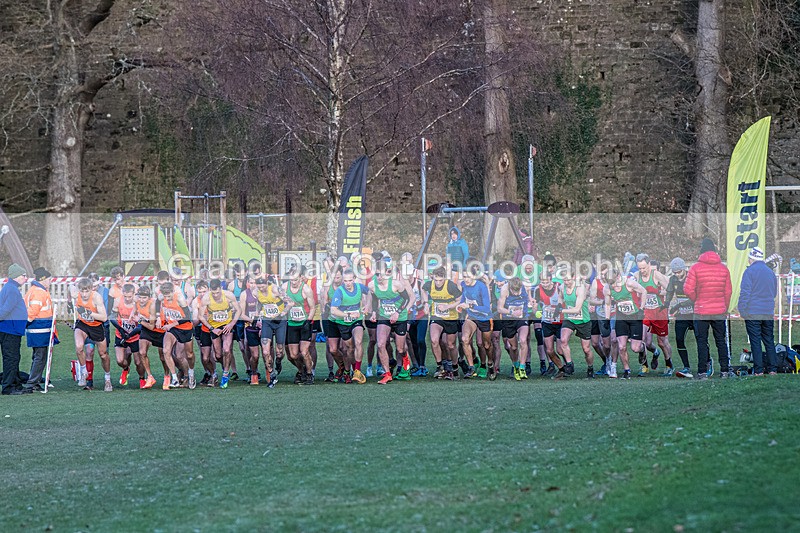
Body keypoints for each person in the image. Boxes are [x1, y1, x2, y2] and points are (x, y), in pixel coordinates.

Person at [684, 238, 733, 379]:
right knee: (721, 341)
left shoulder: (695, 268)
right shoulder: (724, 269)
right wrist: (725, 307)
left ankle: (702, 371)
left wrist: (696, 299)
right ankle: (724, 370)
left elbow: (688, 289)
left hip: (701, 310)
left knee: (702, 342)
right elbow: (728, 292)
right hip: (719, 311)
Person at [369, 258, 414, 384]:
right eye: (377, 274)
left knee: (400, 349)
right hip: (384, 316)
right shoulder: (372, 285)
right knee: (380, 344)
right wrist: (373, 311)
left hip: (400, 317)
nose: (379, 277)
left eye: (381, 274)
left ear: (387, 272)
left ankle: (405, 360)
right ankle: (387, 373)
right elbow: (374, 298)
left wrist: (397, 312)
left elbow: (406, 299)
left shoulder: (396, 284)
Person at [738, 247, 778, 375]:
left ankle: (759, 370)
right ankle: (773, 369)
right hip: (768, 311)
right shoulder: (770, 272)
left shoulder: (749, 272)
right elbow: (774, 292)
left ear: (751, 258)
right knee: (769, 341)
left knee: (755, 342)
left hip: (753, 312)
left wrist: (742, 310)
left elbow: (745, 293)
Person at [109, 282, 157, 389]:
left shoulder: (138, 303)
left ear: (134, 294)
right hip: (121, 334)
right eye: (125, 296)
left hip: (135, 335)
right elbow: (112, 317)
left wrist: (130, 334)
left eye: (130, 296)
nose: (127, 299)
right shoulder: (118, 301)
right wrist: (121, 330)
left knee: (138, 361)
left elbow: (141, 324)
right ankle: (126, 369)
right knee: (120, 360)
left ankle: (141, 378)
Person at [199, 279, 242, 389]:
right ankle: (223, 368)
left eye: (217, 292)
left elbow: (238, 310)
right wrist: (212, 328)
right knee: (218, 355)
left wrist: (232, 324)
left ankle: (225, 374)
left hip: (227, 325)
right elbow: (200, 316)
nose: (216, 295)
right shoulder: (206, 298)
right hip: (214, 327)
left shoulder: (228, 295)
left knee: (227, 350)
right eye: (213, 293)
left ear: (221, 289)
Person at [329, 268, 370, 384]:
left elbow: (369, 293)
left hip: (356, 321)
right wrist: (348, 314)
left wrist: (367, 305)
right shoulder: (339, 291)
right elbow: (333, 311)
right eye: (345, 281)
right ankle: (348, 371)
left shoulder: (359, 287)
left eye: (350, 280)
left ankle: (357, 370)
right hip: (343, 323)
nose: (347, 283)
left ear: (354, 279)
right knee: (349, 349)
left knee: (358, 342)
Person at [635, 253, 673, 376]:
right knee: (641, 339)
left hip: (659, 312)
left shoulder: (656, 275)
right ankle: (644, 366)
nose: (642, 271)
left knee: (662, 342)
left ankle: (669, 364)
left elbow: (670, 290)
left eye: (644, 268)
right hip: (645, 311)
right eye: (640, 268)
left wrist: (657, 291)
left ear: (649, 265)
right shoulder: (636, 276)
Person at [421, 266, 462, 380]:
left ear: (444, 278)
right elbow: (423, 289)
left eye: (440, 280)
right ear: (432, 277)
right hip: (436, 315)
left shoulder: (450, 286)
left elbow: (460, 299)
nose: (438, 283)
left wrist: (447, 306)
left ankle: (454, 367)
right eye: (436, 280)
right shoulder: (430, 284)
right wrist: (425, 303)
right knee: (434, 340)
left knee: (451, 345)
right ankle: (440, 366)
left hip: (451, 317)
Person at [71, 277, 111, 391]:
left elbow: (103, 317)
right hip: (83, 324)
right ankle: (84, 372)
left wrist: (89, 313)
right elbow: (71, 288)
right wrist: (72, 291)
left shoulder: (96, 298)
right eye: (82, 291)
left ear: (91, 289)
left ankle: (107, 378)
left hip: (96, 326)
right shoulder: (76, 294)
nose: (84, 294)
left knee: (103, 354)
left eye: (86, 291)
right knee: (79, 347)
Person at [23, 267, 58, 392]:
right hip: (40, 329)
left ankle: (35, 381)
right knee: (40, 357)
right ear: (43, 279)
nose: (50, 282)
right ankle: (33, 382)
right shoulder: (40, 292)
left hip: (37, 329)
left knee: (38, 356)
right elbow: (33, 311)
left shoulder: (34, 290)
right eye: (49, 279)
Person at [1, 264, 31, 395]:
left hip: (10, 329)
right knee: (11, 358)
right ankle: (8, 387)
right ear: (16, 276)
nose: (25, 278)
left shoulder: (9, 288)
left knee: (13, 357)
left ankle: (16, 384)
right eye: (23, 275)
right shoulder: (12, 289)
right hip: (10, 330)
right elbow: (5, 310)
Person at [459, 265, 493, 379]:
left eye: (468, 277)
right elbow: (464, 299)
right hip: (472, 316)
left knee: (486, 345)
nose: (466, 279)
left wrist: (470, 305)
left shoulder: (481, 287)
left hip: (484, 317)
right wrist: (460, 305)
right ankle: (471, 367)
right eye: (464, 276)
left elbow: (486, 308)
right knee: (464, 339)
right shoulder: (463, 285)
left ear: (474, 276)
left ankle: (489, 364)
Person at [665, 258, 695, 378]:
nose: (677, 274)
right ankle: (686, 366)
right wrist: (667, 304)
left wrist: (679, 305)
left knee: (700, 339)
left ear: (684, 269)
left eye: (679, 272)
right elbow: (669, 292)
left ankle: (707, 362)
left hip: (694, 313)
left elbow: (694, 298)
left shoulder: (691, 279)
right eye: (675, 272)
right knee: (679, 339)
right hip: (681, 314)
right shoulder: (673, 279)